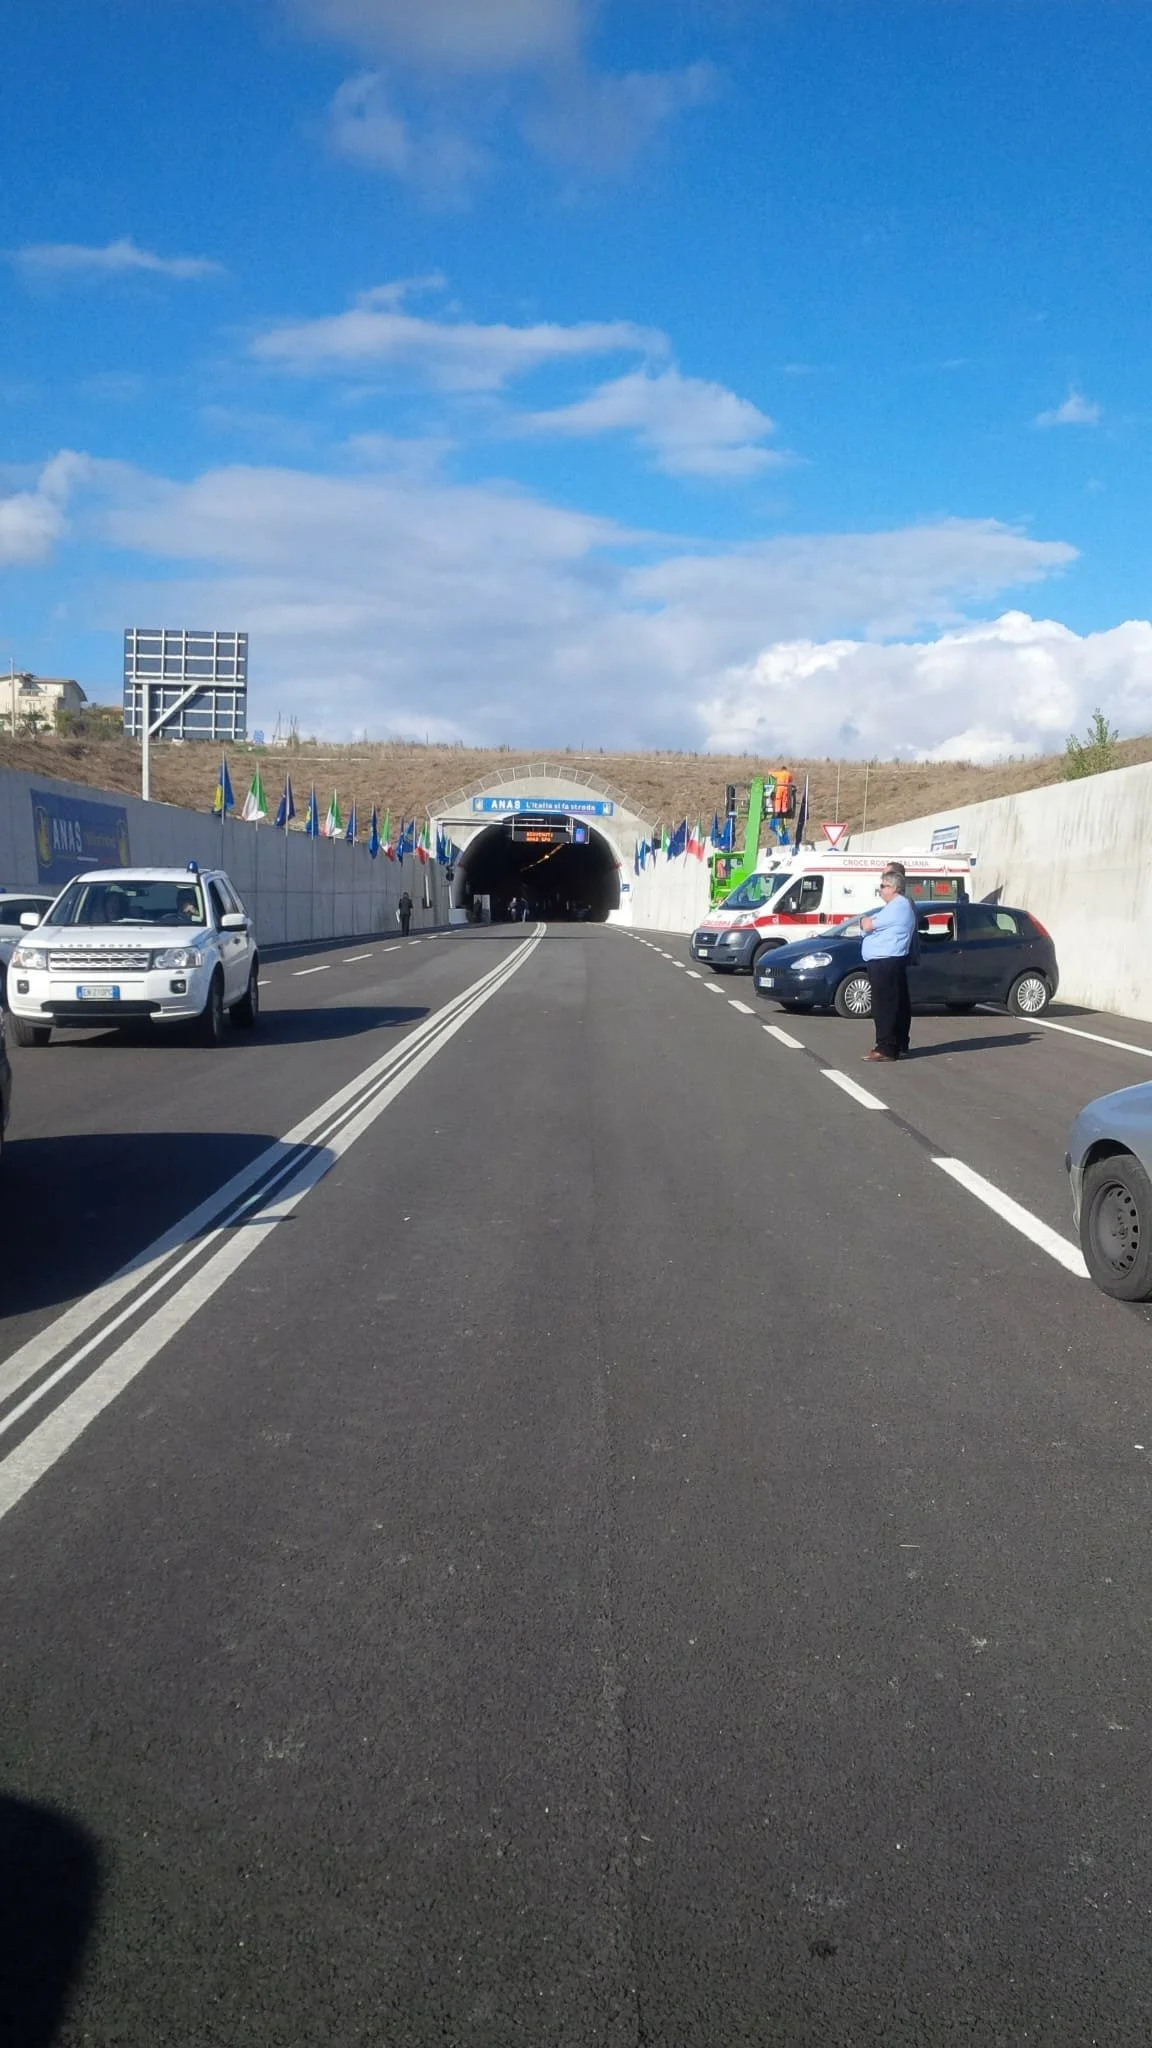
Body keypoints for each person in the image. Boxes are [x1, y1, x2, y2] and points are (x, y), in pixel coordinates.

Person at [859, 865, 917, 1061]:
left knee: (884, 1005)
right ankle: (898, 1043)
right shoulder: (894, 906)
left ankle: (885, 1047)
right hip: (888, 960)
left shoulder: (898, 906)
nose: (880, 889)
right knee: (895, 1003)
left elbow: (867, 924)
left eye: (883, 886)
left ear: (894, 887)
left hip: (886, 961)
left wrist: (868, 924)